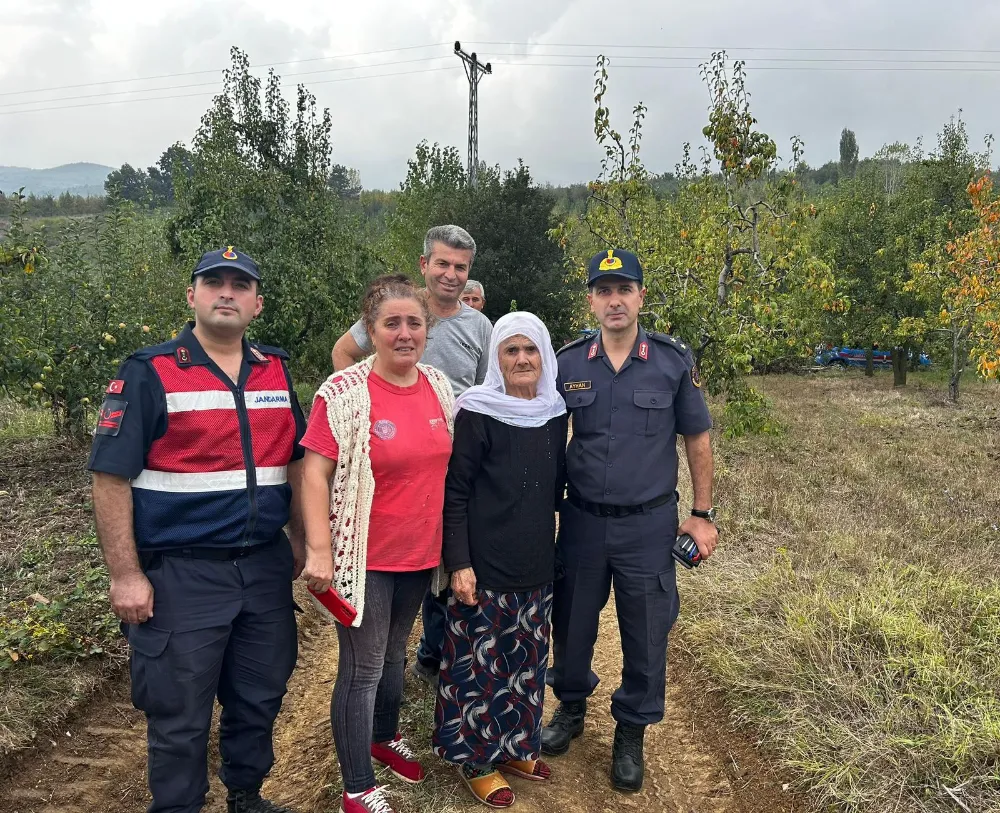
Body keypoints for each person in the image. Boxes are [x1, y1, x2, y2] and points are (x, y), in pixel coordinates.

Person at [88, 247, 307, 813]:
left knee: (259, 697)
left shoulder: (274, 370)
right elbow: (110, 478)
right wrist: (126, 575)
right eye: (214, 283)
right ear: (192, 296)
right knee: (180, 714)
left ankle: (246, 796)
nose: (226, 293)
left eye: (240, 285)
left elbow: (299, 461)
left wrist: (307, 541)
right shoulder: (149, 372)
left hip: (262, 568)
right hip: (183, 573)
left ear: (257, 303)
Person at [542, 248, 719, 793]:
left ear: (641, 295)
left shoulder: (670, 361)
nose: (614, 300)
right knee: (571, 624)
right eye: (603, 290)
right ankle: (571, 708)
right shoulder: (567, 363)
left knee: (645, 631)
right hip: (582, 522)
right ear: (591, 299)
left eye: (624, 289)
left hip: (648, 525)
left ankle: (631, 732)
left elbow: (698, 438)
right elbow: (541, 434)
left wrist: (702, 514)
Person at [301, 275, 456, 813]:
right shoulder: (343, 395)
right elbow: (314, 474)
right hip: (364, 556)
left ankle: (383, 736)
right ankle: (357, 788)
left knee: (395, 653)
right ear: (371, 330)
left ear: (427, 329)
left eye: (414, 322)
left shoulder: (438, 386)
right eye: (392, 323)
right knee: (362, 665)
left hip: (419, 553)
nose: (405, 332)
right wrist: (319, 549)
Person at [331, 225, 492, 689]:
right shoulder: (402, 309)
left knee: (447, 554)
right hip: (392, 458)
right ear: (424, 265)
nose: (451, 274)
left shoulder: (479, 326)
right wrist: (367, 407)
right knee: (394, 557)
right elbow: (344, 352)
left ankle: (437, 656)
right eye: (442, 263)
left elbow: (482, 396)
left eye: (460, 267)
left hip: (450, 463)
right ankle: (389, 669)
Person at [433, 312, 567, 809]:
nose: (522, 359)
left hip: (534, 560)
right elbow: (457, 493)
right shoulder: (477, 411)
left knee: (527, 661)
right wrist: (459, 562)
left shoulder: (556, 412)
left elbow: (555, 490)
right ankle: (475, 759)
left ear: (544, 355)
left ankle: (514, 746)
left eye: (530, 350)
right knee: (479, 664)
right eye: (510, 350)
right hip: (483, 563)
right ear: (496, 358)